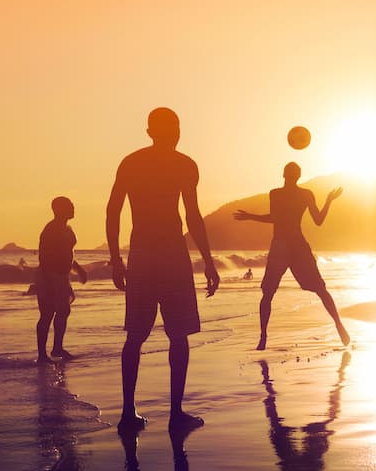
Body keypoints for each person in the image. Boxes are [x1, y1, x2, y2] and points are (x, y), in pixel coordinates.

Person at [106, 107, 220, 431]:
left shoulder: (135, 163)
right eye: (173, 127)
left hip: (144, 255)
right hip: (169, 255)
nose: (176, 133)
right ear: (155, 131)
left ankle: (131, 414)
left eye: (176, 127)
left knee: (138, 336)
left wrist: (117, 259)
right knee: (175, 334)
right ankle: (173, 413)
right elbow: (193, 216)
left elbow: (113, 212)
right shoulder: (182, 165)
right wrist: (208, 261)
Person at [233, 162, 350, 350]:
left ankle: (263, 336)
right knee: (320, 289)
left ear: (284, 174)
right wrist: (329, 200)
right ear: (298, 175)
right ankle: (339, 325)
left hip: (282, 245)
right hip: (296, 245)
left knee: (268, 294)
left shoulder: (276, 194)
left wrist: (251, 216)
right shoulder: (305, 194)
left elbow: (276, 218)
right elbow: (318, 220)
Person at [36, 196, 87, 363]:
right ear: (58, 209)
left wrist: (78, 269)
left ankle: (57, 347)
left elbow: (66, 254)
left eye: (72, 205)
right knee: (47, 314)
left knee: (64, 311)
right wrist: (52, 280)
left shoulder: (67, 229)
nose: (73, 208)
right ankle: (42, 355)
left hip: (62, 276)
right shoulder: (51, 230)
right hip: (49, 276)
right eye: (69, 206)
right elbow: (44, 257)